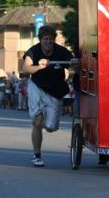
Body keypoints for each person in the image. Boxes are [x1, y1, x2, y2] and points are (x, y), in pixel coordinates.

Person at [23, 25, 72, 167]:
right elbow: (26, 68)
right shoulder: (33, 51)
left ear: (54, 40)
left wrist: (74, 63)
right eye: (45, 39)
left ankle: (46, 120)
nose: (48, 42)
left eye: (51, 39)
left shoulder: (62, 51)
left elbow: (73, 65)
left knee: (51, 127)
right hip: (37, 86)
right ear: (40, 40)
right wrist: (39, 67)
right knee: (37, 122)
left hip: (55, 90)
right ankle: (37, 155)